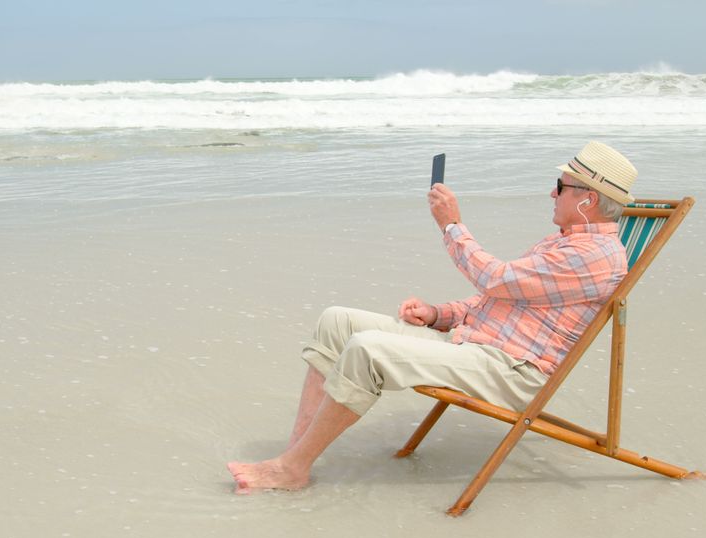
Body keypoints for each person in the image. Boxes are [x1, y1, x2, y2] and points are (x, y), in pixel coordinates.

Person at [227, 141, 638, 494]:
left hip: (510, 369)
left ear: (586, 199)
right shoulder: (565, 243)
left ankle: (292, 469)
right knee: (337, 321)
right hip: (476, 345)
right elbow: (503, 300)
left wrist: (452, 225)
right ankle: (296, 456)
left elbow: (494, 280)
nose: (552, 192)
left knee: (367, 349)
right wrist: (439, 314)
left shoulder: (593, 257)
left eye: (562, 186)